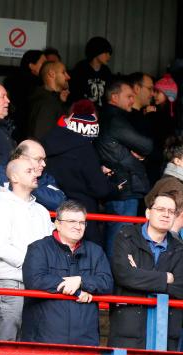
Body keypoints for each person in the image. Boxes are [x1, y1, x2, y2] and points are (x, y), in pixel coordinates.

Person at [22, 200, 113, 355]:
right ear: (57, 223)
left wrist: (81, 280)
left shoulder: (95, 251)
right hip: (44, 344)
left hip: (82, 344)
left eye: (82, 222)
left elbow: (106, 283)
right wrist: (78, 290)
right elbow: (34, 280)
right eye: (71, 221)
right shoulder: (39, 248)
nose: (77, 226)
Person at [0, 158, 54, 355]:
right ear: (14, 177)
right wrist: (36, 267)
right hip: (11, 283)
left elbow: (51, 247)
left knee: (26, 351)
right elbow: (1, 248)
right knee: (5, 350)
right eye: (29, 170)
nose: (36, 172)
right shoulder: (1, 207)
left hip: (37, 287)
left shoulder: (43, 211)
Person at [108, 192, 183, 355]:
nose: (166, 214)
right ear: (148, 212)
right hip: (127, 326)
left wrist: (140, 276)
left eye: (171, 211)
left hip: (164, 331)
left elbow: (181, 287)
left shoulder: (180, 248)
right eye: (160, 209)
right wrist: (164, 278)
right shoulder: (126, 236)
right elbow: (124, 275)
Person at [43, 100, 120, 244]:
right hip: (82, 217)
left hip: (53, 211)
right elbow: (100, 189)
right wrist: (114, 187)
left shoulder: (48, 139)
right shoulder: (85, 149)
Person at [95, 79, 153, 258]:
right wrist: (138, 150)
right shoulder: (115, 119)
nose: (131, 100)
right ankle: (115, 284)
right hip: (124, 186)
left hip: (116, 185)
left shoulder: (107, 116)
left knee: (115, 237)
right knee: (119, 241)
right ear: (114, 97)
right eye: (128, 96)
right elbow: (147, 145)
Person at [0, 139, 66, 210]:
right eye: (38, 159)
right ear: (21, 158)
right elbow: (4, 196)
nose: (44, 164)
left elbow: (59, 202)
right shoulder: (0, 174)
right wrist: (31, 186)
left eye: (44, 159)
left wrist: (25, 186)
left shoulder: (44, 177)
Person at [3, 50, 45, 141]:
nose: (46, 66)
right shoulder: (33, 87)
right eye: (43, 63)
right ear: (31, 66)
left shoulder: (13, 82)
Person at [26, 61, 70, 139]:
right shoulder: (46, 103)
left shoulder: (53, 100)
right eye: (63, 72)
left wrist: (60, 102)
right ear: (52, 74)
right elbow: (41, 137)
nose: (68, 77)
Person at [68, 36, 113, 106]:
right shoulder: (80, 69)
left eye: (109, 53)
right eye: (106, 52)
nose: (109, 56)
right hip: (84, 111)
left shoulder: (106, 71)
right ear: (97, 51)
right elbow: (74, 94)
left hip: (102, 113)